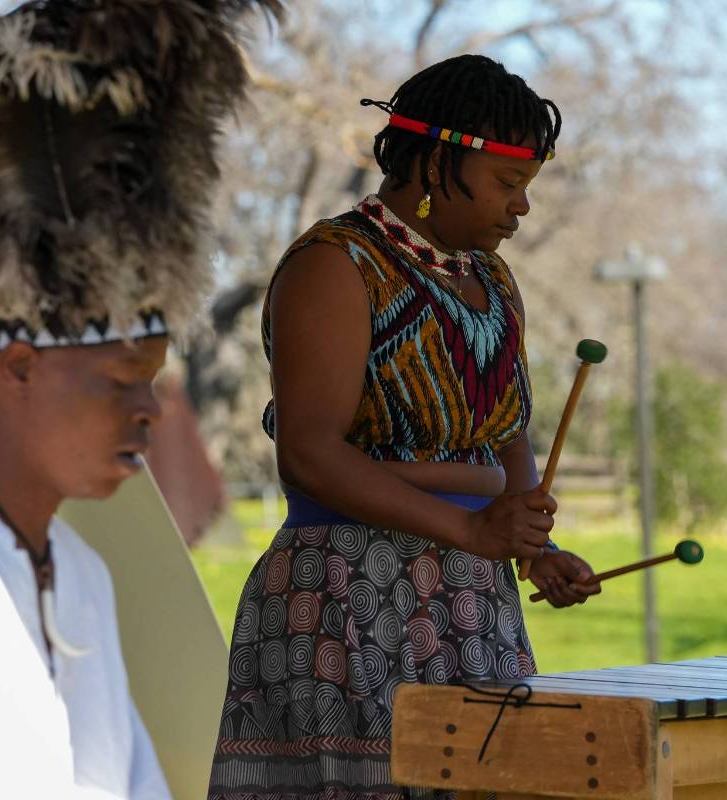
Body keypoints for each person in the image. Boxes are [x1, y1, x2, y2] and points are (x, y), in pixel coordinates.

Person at [208, 54, 601, 800]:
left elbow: (506, 428)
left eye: (527, 188)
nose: (521, 208)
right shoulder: (335, 265)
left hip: (471, 591)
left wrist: (532, 547)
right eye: (507, 184)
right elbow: (309, 455)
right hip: (348, 588)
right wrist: (477, 533)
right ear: (433, 162)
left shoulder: (491, 280)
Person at [0, 0, 276, 795]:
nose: (151, 411)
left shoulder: (82, 573)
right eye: (122, 377)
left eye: (153, 378)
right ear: (17, 364)